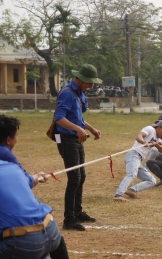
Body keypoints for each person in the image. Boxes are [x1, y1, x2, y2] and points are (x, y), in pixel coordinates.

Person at [0, 115, 69, 258]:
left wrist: (34, 176)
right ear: (9, 139)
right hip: (6, 225)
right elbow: (24, 181)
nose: (17, 139)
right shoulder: (3, 153)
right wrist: (35, 178)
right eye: (16, 136)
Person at [0, 134, 62, 258]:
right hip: (52, 231)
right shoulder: (12, 167)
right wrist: (36, 176)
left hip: (24, 241)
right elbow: (30, 180)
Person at [54, 63, 102, 231]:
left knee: (81, 176)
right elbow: (59, 118)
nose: (92, 85)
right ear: (80, 79)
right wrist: (78, 129)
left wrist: (91, 129)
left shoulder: (78, 93)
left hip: (75, 139)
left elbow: (77, 117)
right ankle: (69, 219)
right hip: (67, 140)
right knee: (74, 178)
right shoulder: (67, 93)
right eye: (89, 82)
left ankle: (77, 211)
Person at [114, 120, 162, 202]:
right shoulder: (150, 129)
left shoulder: (157, 139)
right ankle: (118, 194)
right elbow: (139, 136)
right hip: (133, 155)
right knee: (132, 174)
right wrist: (144, 142)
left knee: (151, 180)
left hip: (139, 160)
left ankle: (131, 190)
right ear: (160, 127)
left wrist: (156, 144)